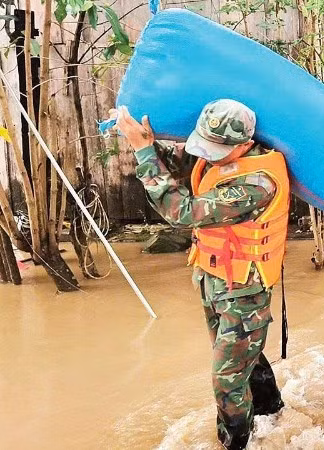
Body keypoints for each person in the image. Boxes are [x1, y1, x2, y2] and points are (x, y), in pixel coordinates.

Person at [113, 99, 286, 450]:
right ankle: (273, 416)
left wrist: (143, 151)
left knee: (225, 379)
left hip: (243, 294)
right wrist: (154, 142)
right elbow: (183, 166)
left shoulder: (256, 182)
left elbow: (180, 211)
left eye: (214, 149)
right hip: (215, 281)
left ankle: (236, 442)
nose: (206, 154)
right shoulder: (222, 158)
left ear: (244, 146)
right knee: (242, 360)